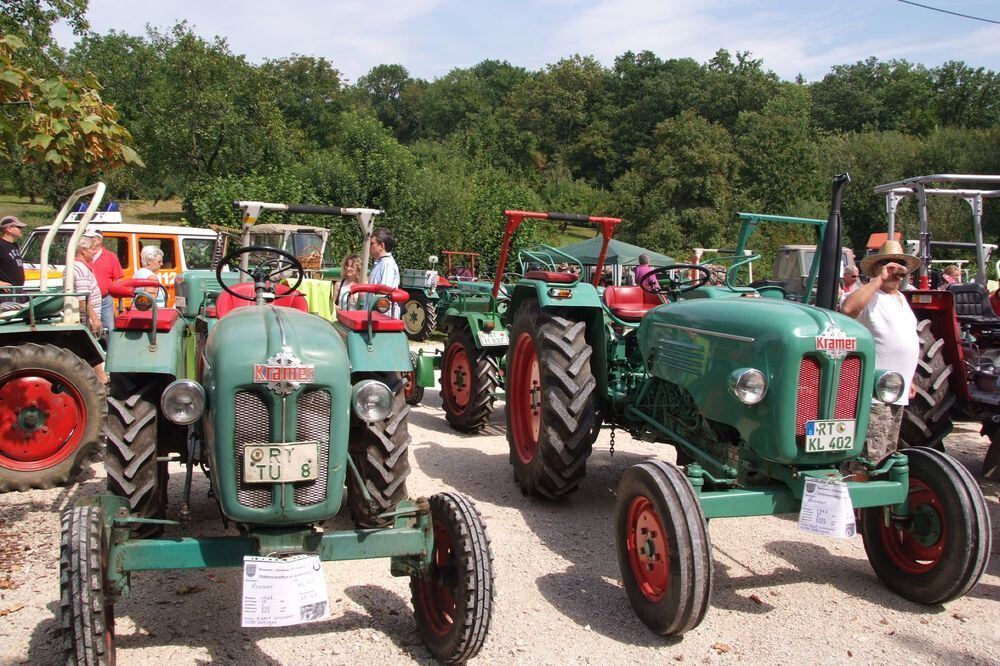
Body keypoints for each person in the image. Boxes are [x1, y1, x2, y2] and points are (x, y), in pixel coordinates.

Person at [840, 240, 920, 468]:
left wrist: (909, 376)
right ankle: (860, 501)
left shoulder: (901, 299)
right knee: (868, 459)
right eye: (886, 263)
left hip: (896, 392)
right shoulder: (870, 295)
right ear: (876, 268)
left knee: (887, 456)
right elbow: (847, 310)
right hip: (874, 396)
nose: (894, 270)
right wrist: (880, 279)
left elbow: (903, 339)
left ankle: (875, 504)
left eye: (899, 265)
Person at [71, 236, 108, 383]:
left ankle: (100, 378)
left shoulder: (79, 267)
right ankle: (101, 379)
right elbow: (83, 298)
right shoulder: (80, 269)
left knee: (91, 348)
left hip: (86, 316)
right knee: (91, 348)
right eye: (93, 250)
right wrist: (94, 318)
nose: (95, 253)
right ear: (83, 250)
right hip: (86, 318)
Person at [87, 230, 125, 330]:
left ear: (98, 240)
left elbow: (118, 280)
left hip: (105, 299)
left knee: (109, 327)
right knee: (89, 327)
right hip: (88, 299)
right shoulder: (84, 256)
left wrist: (120, 305)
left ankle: (108, 345)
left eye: (89, 238)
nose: (87, 240)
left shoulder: (110, 256)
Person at [368, 227, 400, 317]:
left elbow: (383, 292)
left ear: (382, 246)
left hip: (382, 316)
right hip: (375, 314)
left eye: (372, 243)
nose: (370, 246)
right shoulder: (379, 263)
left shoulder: (387, 264)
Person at [0, 215, 26, 305]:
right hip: (6, 294)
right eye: (18, 227)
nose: (21, 229)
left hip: (17, 291)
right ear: (9, 229)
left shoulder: (15, 245)